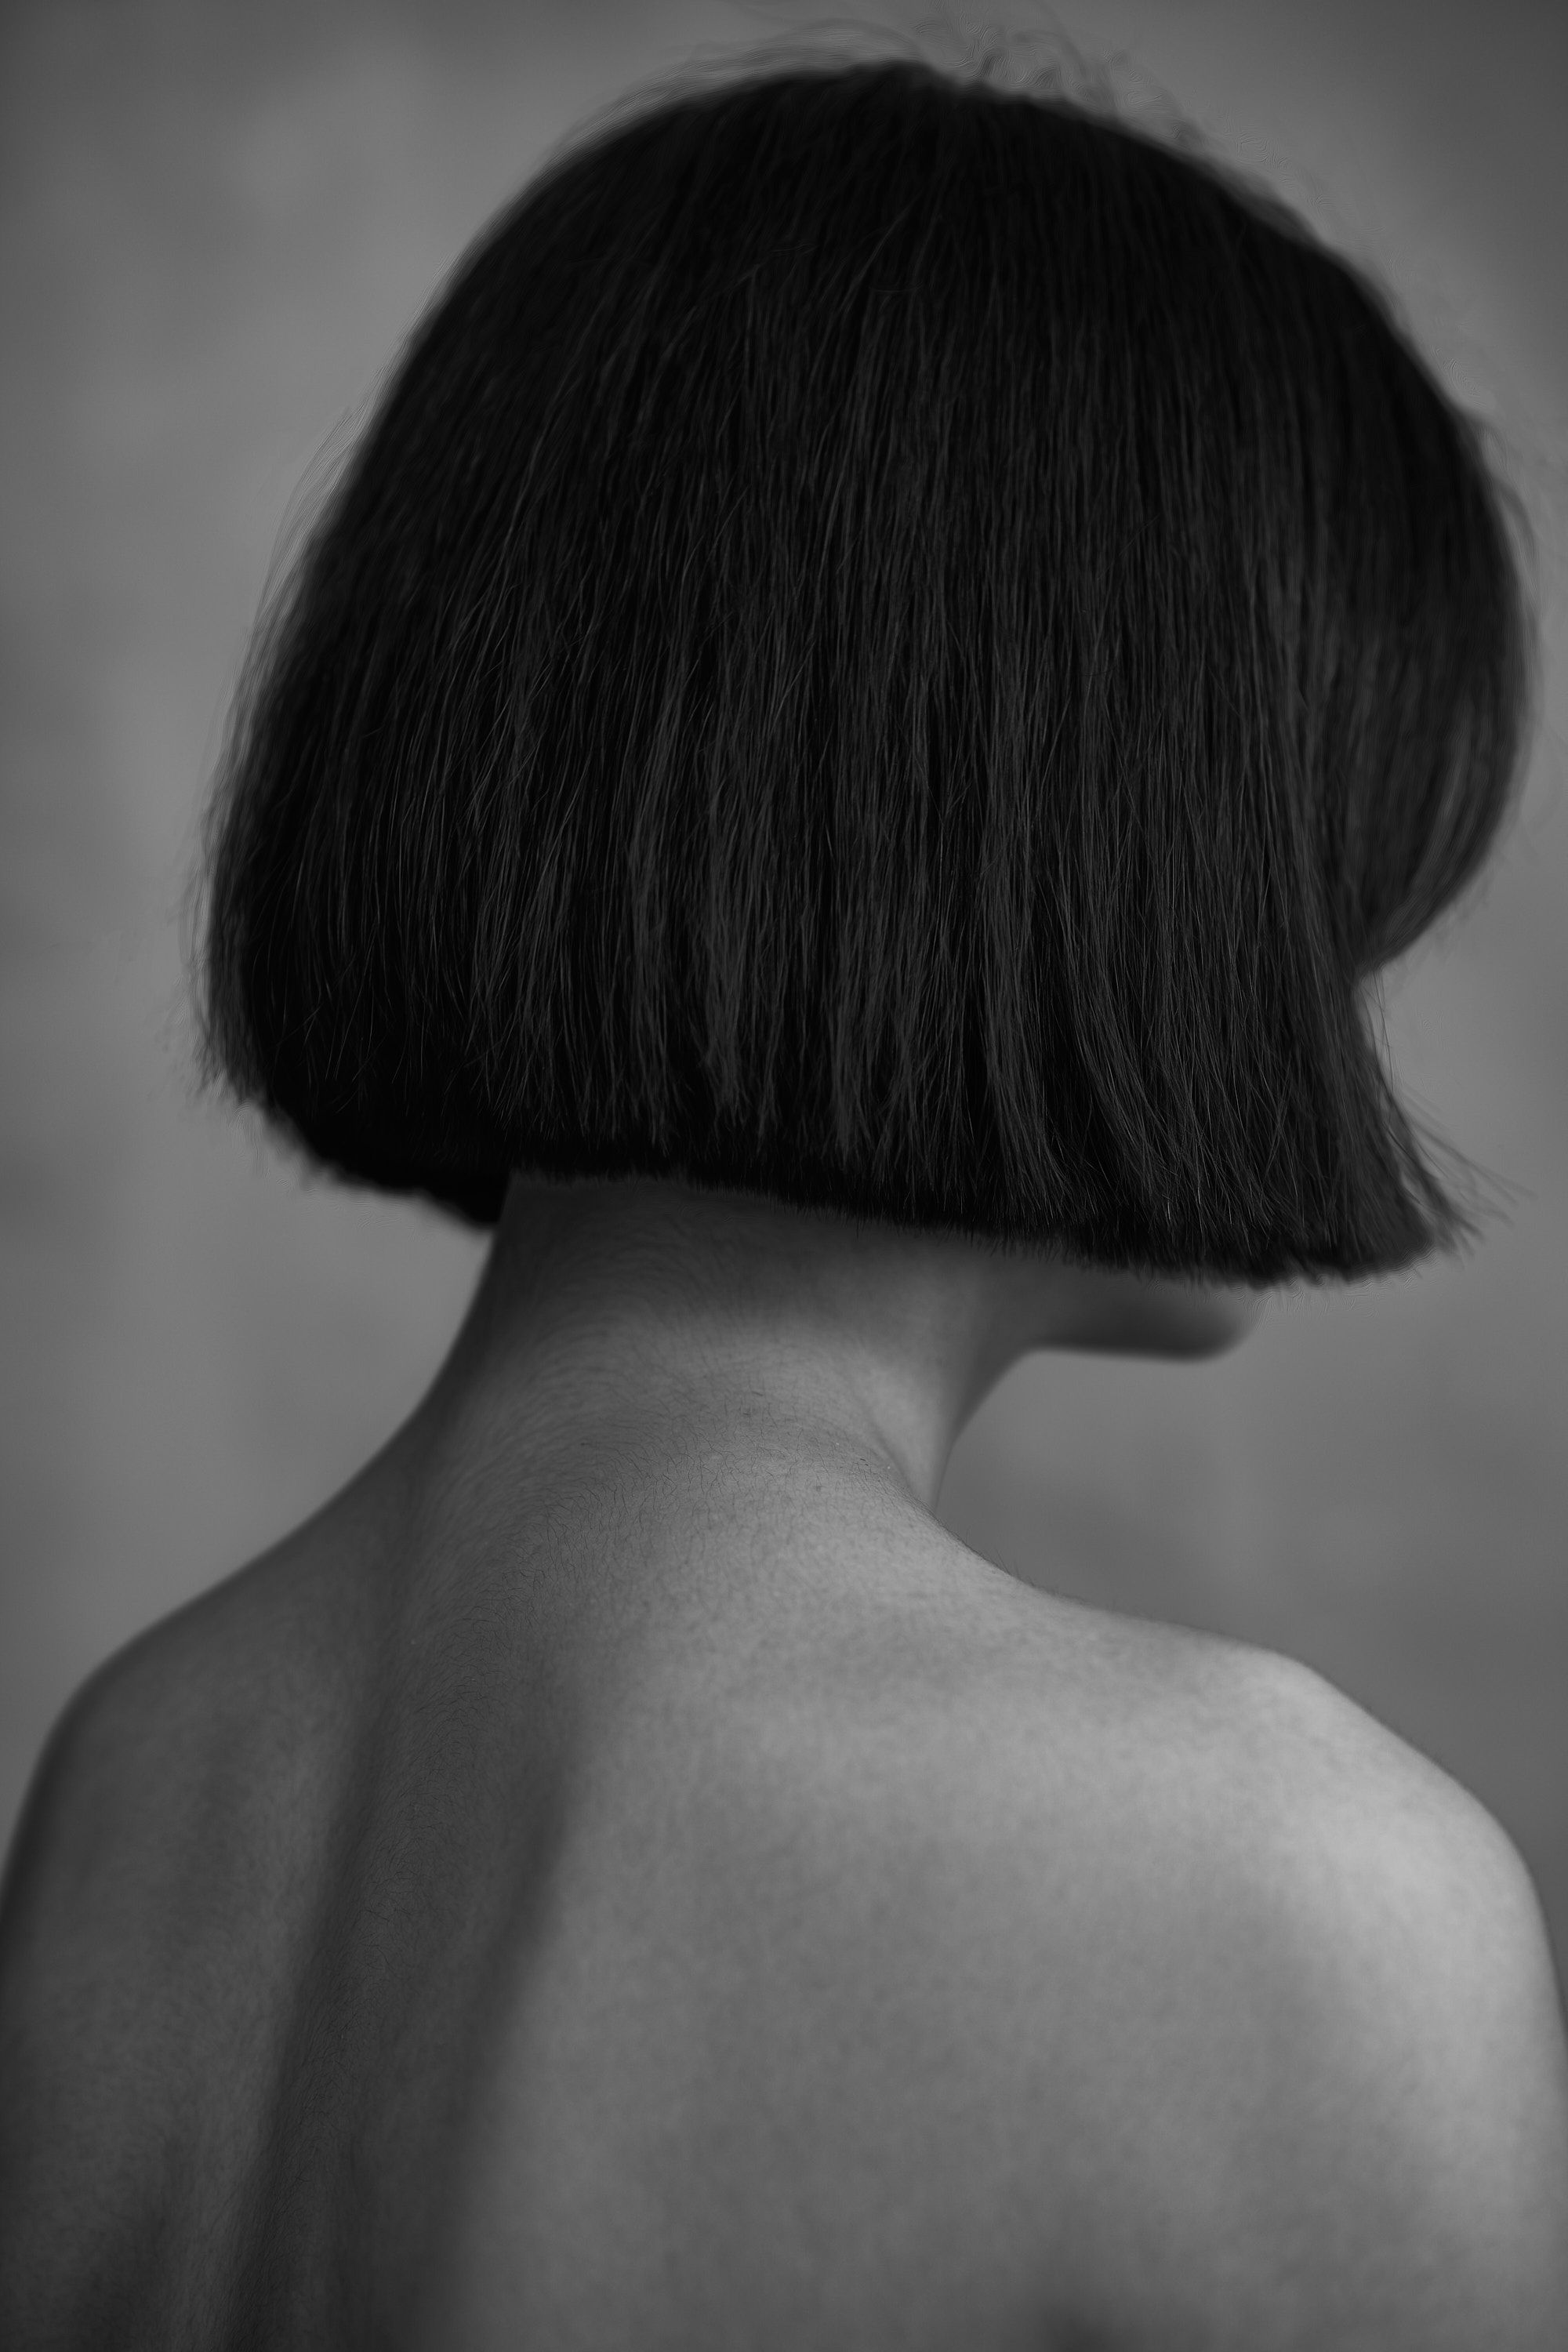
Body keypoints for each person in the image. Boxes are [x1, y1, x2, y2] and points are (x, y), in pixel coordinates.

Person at [2, 42, 1565, 2351]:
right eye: (1345, 853)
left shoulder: (135, 1786)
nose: (1354, 977)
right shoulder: (1280, 1900)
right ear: (1084, 814)